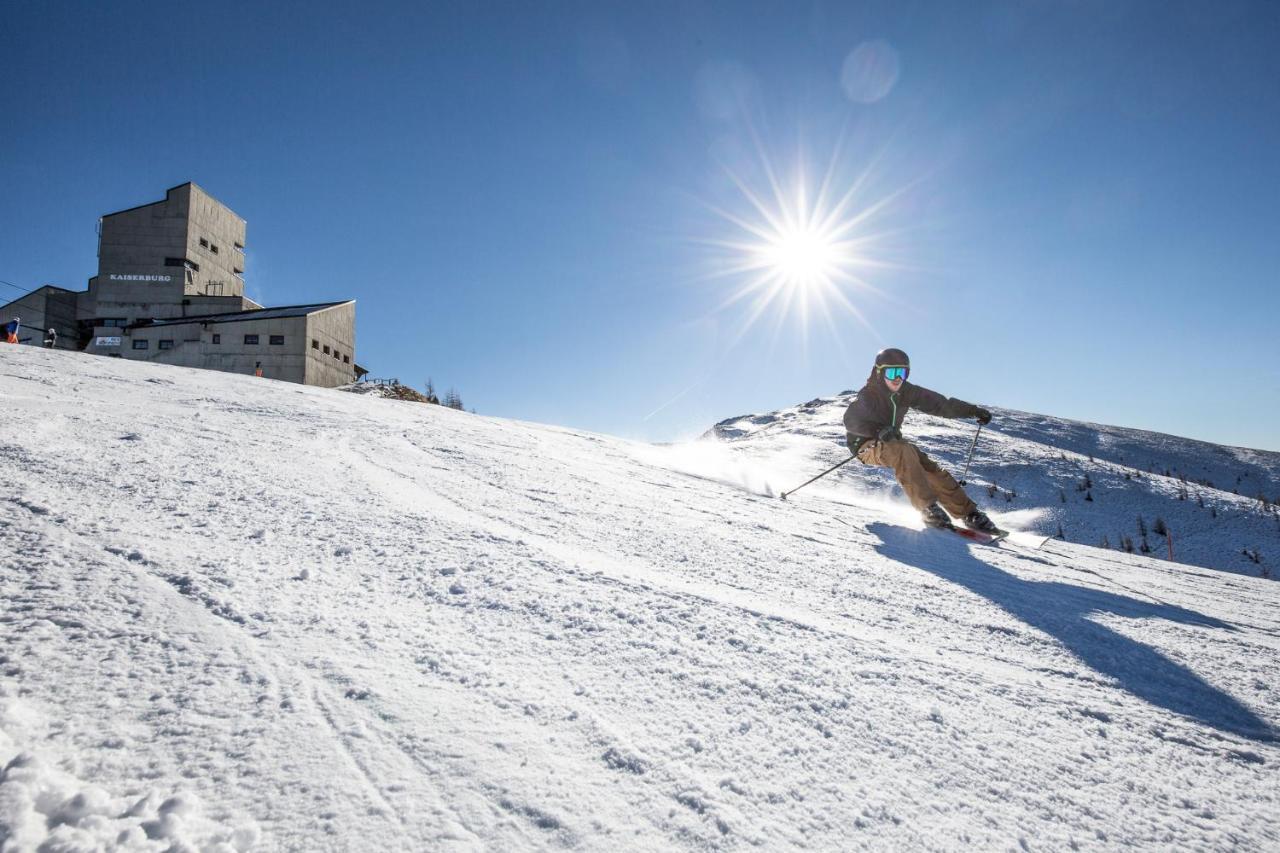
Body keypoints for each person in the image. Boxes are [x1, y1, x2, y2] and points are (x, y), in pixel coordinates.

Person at [843, 347, 1000, 533]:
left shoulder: (907, 391)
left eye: (902, 373)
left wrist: (972, 411)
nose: (897, 378)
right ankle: (928, 509)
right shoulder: (869, 395)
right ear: (879, 373)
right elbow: (850, 420)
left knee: (929, 467)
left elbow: (941, 405)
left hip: (893, 443)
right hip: (866, 445)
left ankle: (969, 513)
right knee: (904, 450)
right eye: (891, 372)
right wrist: (877, 430)